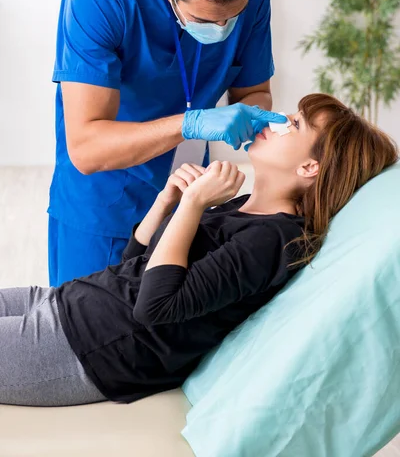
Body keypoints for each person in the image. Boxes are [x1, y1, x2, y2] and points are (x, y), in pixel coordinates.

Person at [1, 94, 397, 407]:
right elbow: (135, 267)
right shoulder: (238, 203)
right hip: (65, 303)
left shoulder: (274, 241)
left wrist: (192, 206)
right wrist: (168, 200)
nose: (276, 120)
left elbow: (154, 307)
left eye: (294, 124)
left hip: (86, 348)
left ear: (310, 168)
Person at [48, 0, 286, 287]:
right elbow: (87, 149)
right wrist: (193, 123)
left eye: (233, 16)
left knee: (163, 328)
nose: (223, 28)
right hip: (106, 199)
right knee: (85, 328)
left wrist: (253, 120)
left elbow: (256, 93)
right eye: (206, 20)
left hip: (190, 195)